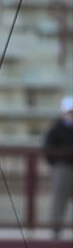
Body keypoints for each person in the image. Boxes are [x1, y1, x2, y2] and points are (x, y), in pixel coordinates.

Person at [43, 95, 73, 236]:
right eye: (70, 112)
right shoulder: (56, 129)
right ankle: (56, 229)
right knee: (59, 199)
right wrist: (57, 163)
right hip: (62, 168)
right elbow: (48, 148)